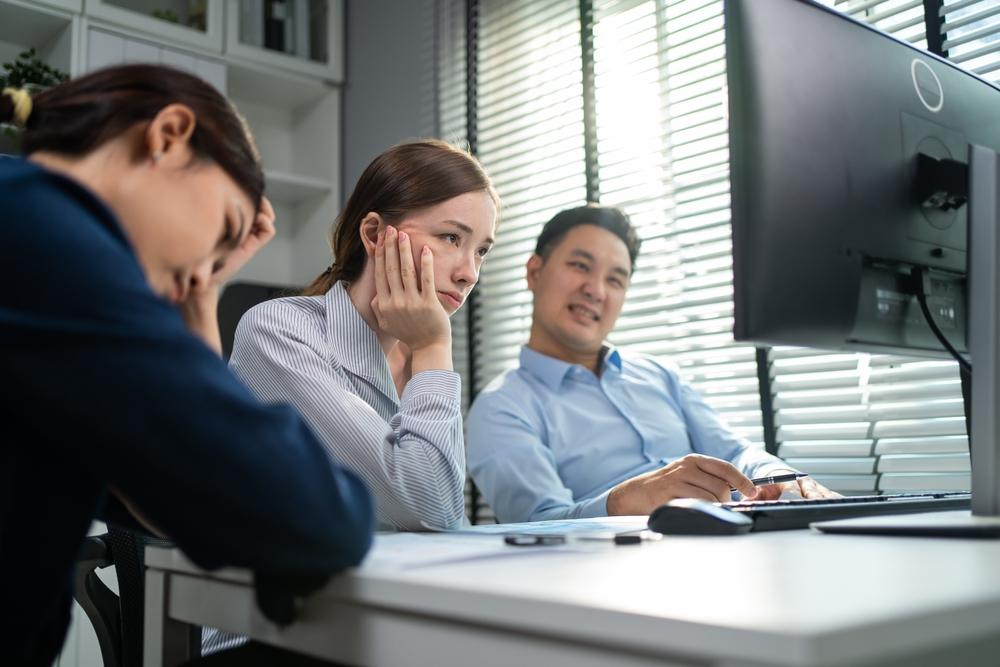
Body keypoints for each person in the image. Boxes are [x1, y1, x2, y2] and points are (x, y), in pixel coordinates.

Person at [0, 66, 373, 667]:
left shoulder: (28, 224)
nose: (204, 272)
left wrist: (204, 295)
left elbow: (189, 495)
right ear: (170, 135)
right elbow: (315, 515)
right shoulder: (48, 232)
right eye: (225, 228)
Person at [466, 205, 836, 523]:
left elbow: (735, 452)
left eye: (615, 279)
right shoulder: (499, 408)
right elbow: (538, 523)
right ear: (534, 272)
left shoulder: (661, 375)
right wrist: (625, 501)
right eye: (581, 266)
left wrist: (779, 477)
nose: (596, 290)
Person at [229, 140, 499, 530]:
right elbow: (431, 508)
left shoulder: (419, 361)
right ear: (374, 234)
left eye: (481, 251)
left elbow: (452, 523)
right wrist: (432, 346)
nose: (469, 273)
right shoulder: (277, 332)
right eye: (451, 238)